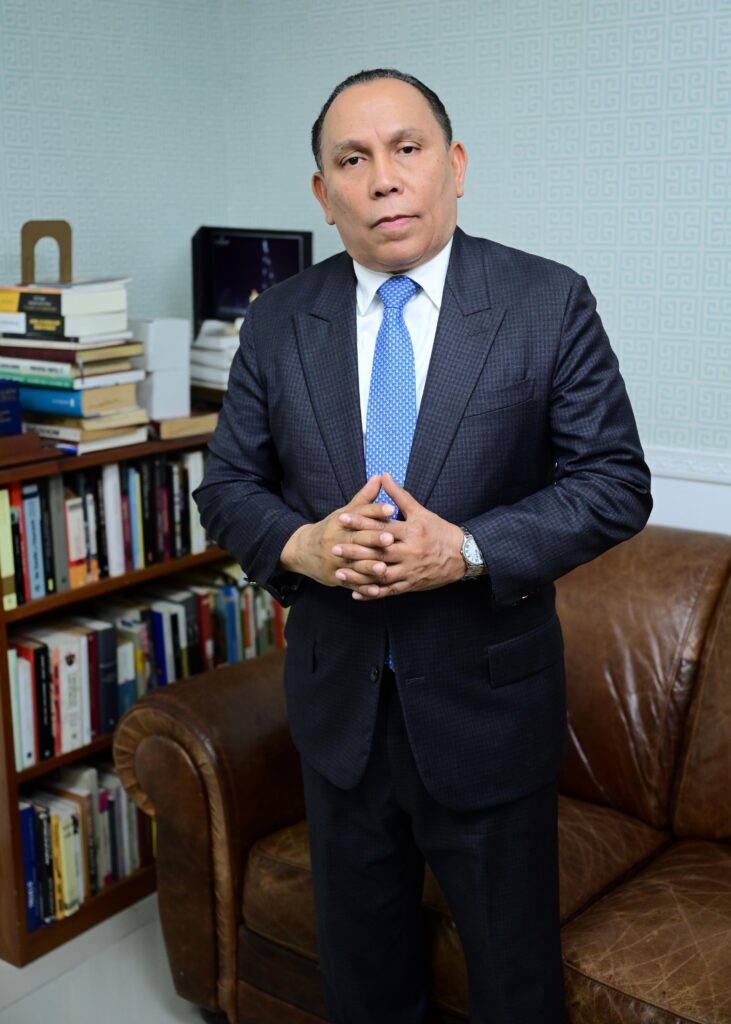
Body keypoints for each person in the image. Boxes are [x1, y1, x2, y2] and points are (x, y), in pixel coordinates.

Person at [193, 68, 652, 1024]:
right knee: (364, 986)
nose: (383, 178)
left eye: (406, 148)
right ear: (323, 192)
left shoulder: (546, 300)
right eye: (351, 160)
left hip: (489, 713)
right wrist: (302, 545)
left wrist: (467, 549)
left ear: (455, 165)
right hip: (339, 717)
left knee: (513, 988)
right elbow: (227, 486)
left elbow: (613, 482)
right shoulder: (277, 319)